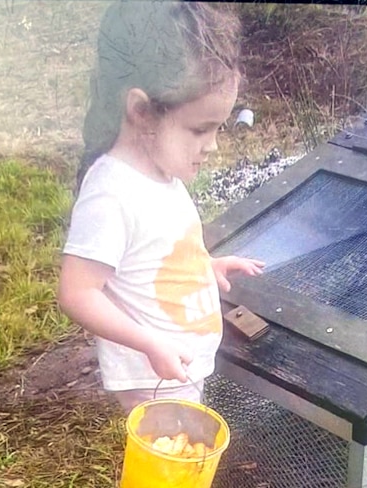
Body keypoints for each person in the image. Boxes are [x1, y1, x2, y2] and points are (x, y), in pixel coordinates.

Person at [58, 0, 264, 414]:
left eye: (218, 128)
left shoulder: (161, 173)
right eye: (200, 129)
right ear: (141, 110)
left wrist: (203, 269)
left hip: (176, 369)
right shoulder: (112, 192)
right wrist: (150, 343)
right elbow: (76, 292)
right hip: (153, 377)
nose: (212, 145)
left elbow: (154, 256)